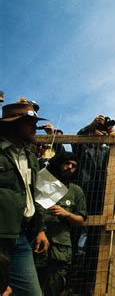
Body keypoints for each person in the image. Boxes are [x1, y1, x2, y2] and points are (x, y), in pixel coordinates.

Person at [0, 100, 49, 295]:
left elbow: (34, 196)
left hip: (21, 236)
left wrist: (41, 229)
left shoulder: (30, 159)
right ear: (13, 124)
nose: (35, 127)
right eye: (29, 123)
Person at [72, 114, 115, 294]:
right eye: (98, 129)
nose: (100, 133)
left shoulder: (107, 151)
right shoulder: (83, 148)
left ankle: (88, 283)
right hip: (83, 196)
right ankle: (72, 278)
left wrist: (112, 134)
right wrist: (90, 126)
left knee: (94, 243)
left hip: (100, 198)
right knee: (76, 237)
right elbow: (75, 141)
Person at [34, 152, 87, 296]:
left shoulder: (75, 191)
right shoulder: (41, 183)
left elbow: (81, 220)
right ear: (59, 164)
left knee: (54, 288)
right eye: (67, 163)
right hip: (35, 243)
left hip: (59, 250)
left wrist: (67, 214)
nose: (69, 167)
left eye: (74, 166)